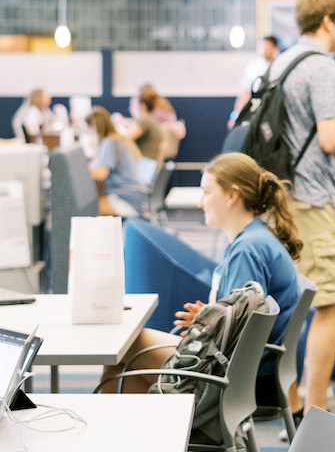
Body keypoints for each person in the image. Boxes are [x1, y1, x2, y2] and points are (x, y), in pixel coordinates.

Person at [99, 153, 301, 411]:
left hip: (235, 379)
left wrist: (210, 325)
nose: (200, 201)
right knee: (125, 361)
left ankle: (123, 439)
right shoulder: (253, 239)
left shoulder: (246, 250)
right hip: (250, 372)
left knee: (128, 343)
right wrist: (209, 318)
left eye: (206, 192)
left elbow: (240, 334)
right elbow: (243, 318)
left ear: (232, 196)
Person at [267, 0, 335, 419]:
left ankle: (293, 397)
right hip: (315, 198)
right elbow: (330, 139)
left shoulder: (280, 62)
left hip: (282, 199)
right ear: (327, 20)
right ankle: (314, 409)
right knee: (334, 299)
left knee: (296, 301)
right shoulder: (322, 66)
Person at [87, 106, 148, 217]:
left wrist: (80, 171)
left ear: (94, 129)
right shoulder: (119, 139)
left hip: (126, 200)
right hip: (136, 197)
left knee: (88, 208)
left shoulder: (109, 142)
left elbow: (100, 174)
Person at [230, 35, 280, 128]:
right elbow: (245, 92)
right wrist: (235, 116)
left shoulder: (281, 66)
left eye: (267, 48)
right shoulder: (253, 66)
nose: (264, 51)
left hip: (274, 115)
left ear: (275, 48)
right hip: (254, 114)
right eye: (262, 48)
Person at [126, 87, 165, 161]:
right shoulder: (153, 120)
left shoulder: (145, 122)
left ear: (142, 106)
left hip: (142, 165)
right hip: (147, 165)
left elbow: (124, 138)